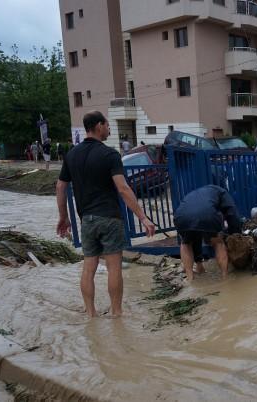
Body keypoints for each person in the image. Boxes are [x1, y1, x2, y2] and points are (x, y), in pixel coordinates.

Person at [56, 111, 156, 318]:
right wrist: (143, 218)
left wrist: (63, 217)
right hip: (109, 217)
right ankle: (117, 313)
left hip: (87, 220)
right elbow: (123, 188)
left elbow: (60, 187)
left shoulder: (71, 155)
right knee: (114, 268)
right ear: (99, 126)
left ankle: (91, 313)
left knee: (88, 268)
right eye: (108, 125)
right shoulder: (110, 155)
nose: (109, 129)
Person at [173, 185, 242, 281]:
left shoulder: (196, 193)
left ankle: (191, 277)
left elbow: (196, 232)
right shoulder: (222, 192)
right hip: (207, 215)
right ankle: (225, 277)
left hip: (181, 216)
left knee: (186, 242)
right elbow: (232, 214)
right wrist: (236, 234)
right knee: (218, 242)